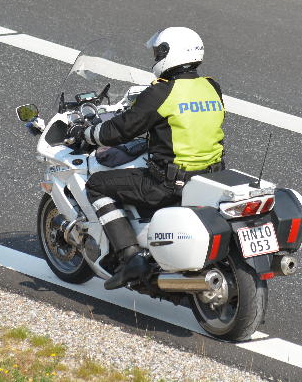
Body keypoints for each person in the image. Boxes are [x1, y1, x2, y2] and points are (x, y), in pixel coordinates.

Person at [67, 27, 225, 290]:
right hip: (210, 177)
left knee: (97, 185)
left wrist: (86, 132)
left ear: (169, 54)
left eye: (158, 52)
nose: (155, 58)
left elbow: (120, 129)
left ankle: (129, 258)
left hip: (167, 183)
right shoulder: (211, 87)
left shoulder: (160, 93)